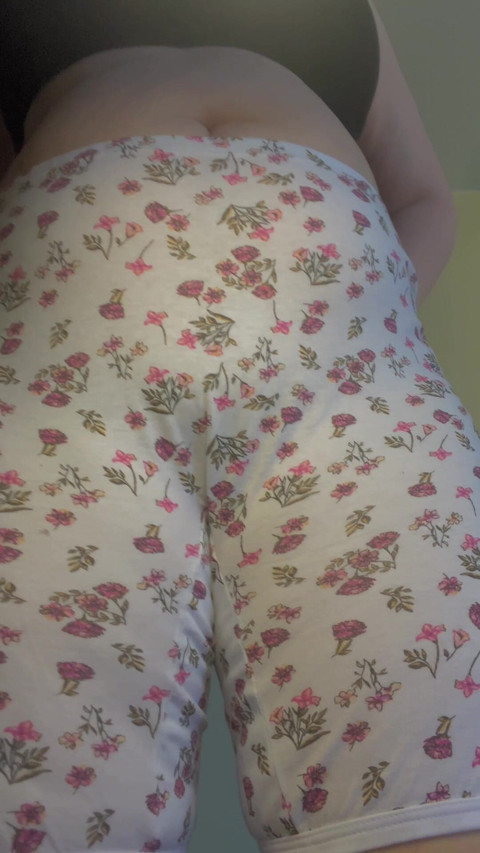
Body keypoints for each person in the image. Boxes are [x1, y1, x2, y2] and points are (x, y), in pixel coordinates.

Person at [1, 2, 479, 852]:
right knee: (47, 798)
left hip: (348, 378)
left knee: (428, 798)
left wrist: (371, 305)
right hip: (63, 383)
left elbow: (421, 195)